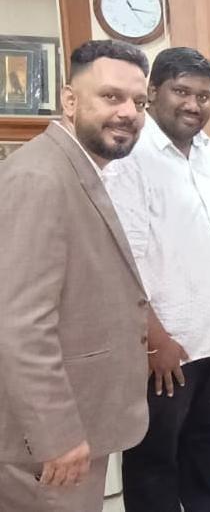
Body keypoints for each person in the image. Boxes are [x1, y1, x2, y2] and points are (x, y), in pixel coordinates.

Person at [0, 40, 150, 512]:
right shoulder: (39, 178)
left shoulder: (78, 168)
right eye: (111, 96)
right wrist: (58, 436)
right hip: (49, 443)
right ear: (69, 100)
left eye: (139, 102)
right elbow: (21, 324)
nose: (128, 112)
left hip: (85, 413)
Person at [103, 47, 210, 512]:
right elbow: (122, 262)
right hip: (167, 344)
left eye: (203, 96)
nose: (193, 104)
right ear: (153, 92)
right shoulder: (130, 157)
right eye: (182, 91)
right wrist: (153, 340)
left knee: (203, 437)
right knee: (154, 454)